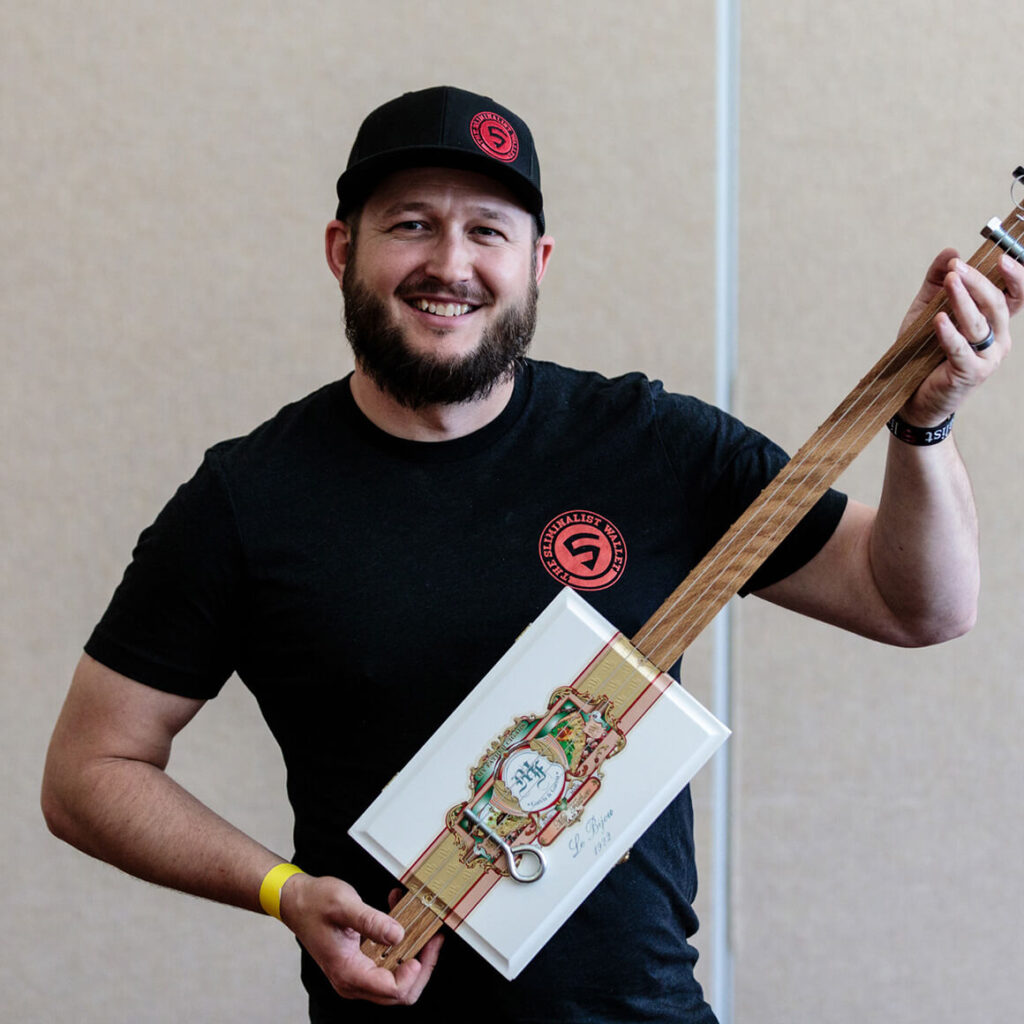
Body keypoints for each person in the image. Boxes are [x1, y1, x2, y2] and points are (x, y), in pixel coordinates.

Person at [41, 86, 1023, 1023]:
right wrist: (282, 890)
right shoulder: (249, 500)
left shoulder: (650, 445)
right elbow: (90, 770)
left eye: (487, 230)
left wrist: (922, 427)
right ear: (343, 250)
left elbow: (914, 604)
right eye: (411, 223)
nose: (451, 262)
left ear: (537, 259)